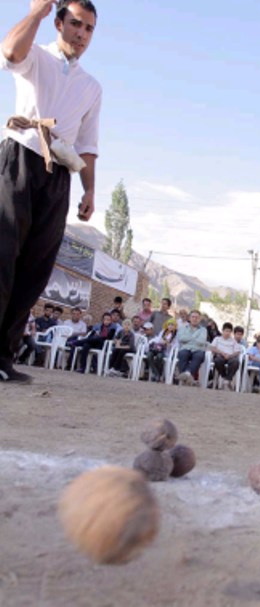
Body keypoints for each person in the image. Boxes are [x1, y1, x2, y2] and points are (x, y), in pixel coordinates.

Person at [0, 0, 101, 383]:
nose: (82, 34)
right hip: (19, 159)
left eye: (89, 29)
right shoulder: (36, 56)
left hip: (58, 172)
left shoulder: (92, 87)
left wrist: (89, 189)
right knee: (2, 256)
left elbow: (88, 145)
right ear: (58, 23)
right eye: (75, 24)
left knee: (36, 268)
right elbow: (9, 51)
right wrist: (36, 12)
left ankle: (3, 358)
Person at [176, 310, 207, 386]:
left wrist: (188, 338)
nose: (195, 319)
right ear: (189, 318)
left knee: (199, 356)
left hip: (198, 349)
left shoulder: (203, 330)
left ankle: (186, 374)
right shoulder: (183, 328)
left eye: (197, 317)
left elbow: (201, 341)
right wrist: (195, 337)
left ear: (199, 319)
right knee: (183, 354)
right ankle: (188, 379)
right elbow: (181, 338)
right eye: (193, 317)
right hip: (186, 348)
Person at [209, 322, 243, 390]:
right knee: (218, 361)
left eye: (229, 331)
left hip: (230, 356)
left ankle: (227, 380)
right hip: (220, 355)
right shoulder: (217, 339)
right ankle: (225, 377)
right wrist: (222, 353)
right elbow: (212, 348)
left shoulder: (233, 341)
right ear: (223, 331)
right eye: (226, 331)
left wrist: (230, 355)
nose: (227, 333)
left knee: (235, 362)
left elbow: (237, 351)